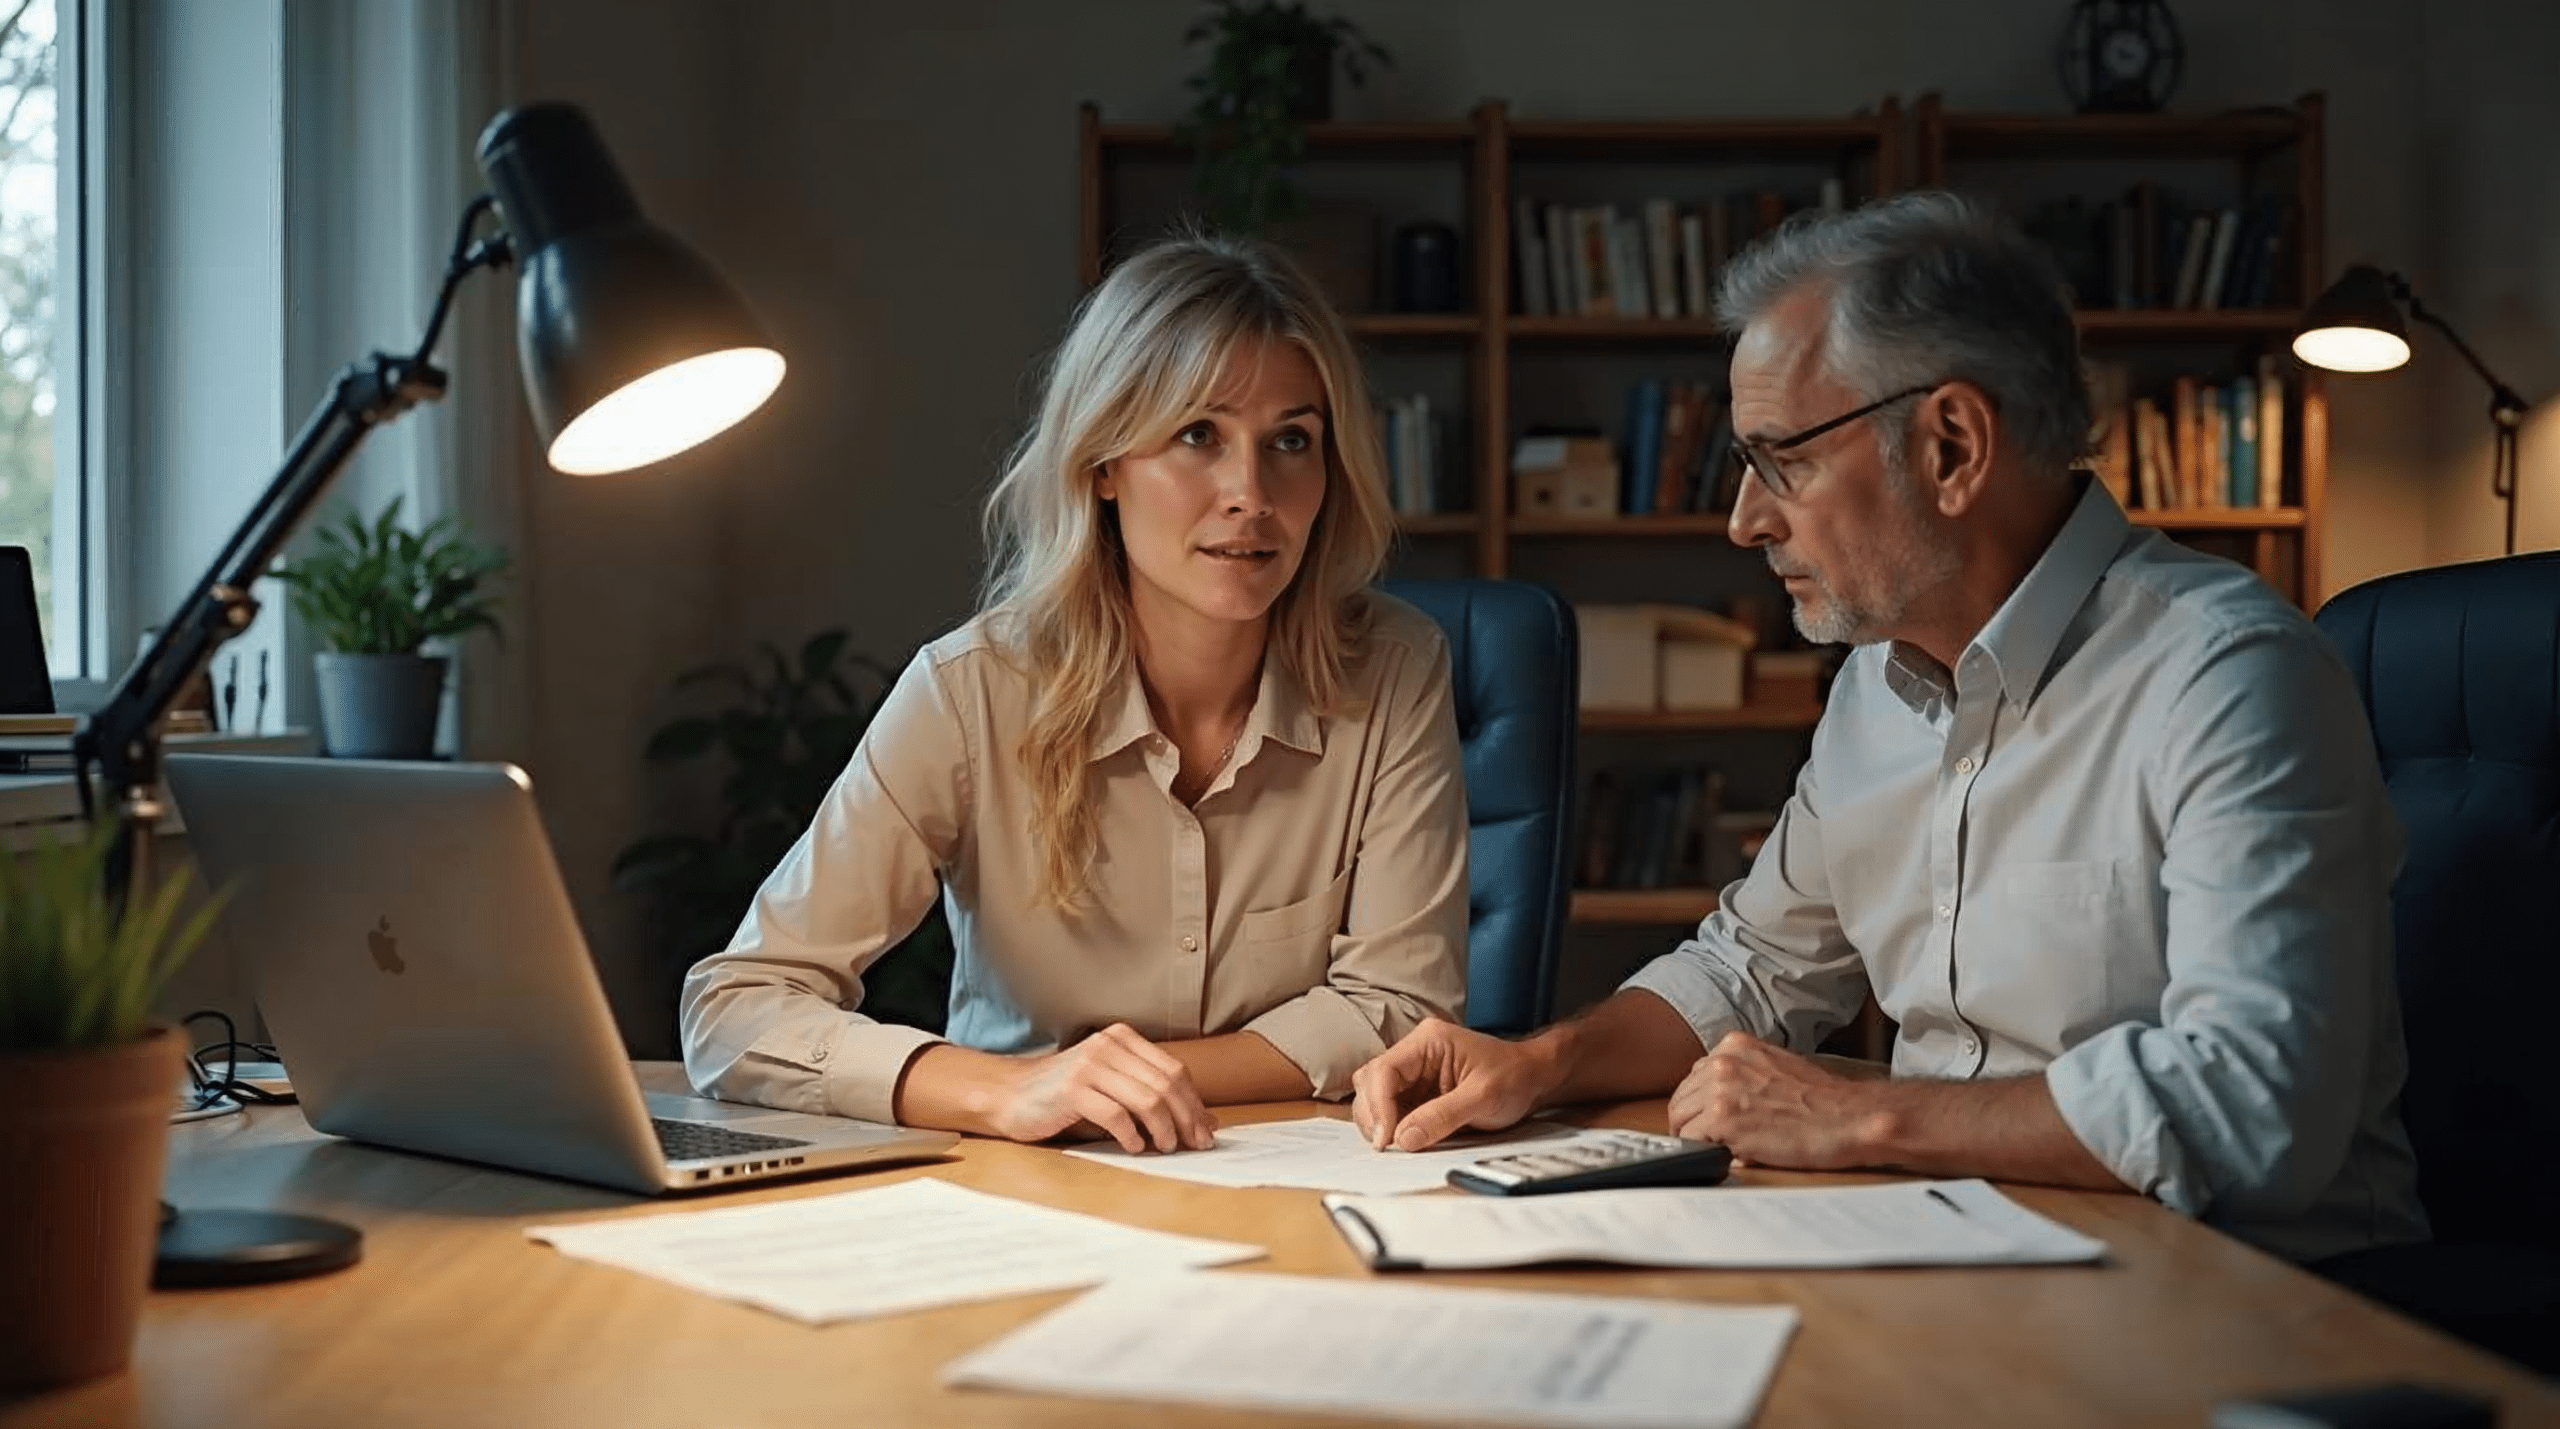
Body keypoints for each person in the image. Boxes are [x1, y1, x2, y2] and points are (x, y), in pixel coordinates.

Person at [1351, 192, 2427, 1264]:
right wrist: (1537, 1064)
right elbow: (1751, 969)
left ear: (1951, 446)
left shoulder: (2228, 676)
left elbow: (2255, 1108)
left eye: (1784, 460)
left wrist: (1863, 1115)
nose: (1742, 519)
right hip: (1978, 1250)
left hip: (2260, 1298)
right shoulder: (1875, 686)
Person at [683, 233, 1468, 1156]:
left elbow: (1402, 1008)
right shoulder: (969, 692)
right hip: (1023, 1185)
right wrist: (1007, 1087)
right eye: (1197, 435)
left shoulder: (1396, 671)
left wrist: (1115, 1079)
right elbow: (734, 1009)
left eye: (1290, 440)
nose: (1250, 492)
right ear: (1103, 464)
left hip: (1301, 1188)